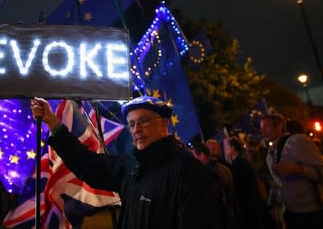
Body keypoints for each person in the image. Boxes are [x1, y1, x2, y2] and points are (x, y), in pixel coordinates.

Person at [31, 96, 220, 228]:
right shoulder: (132, 167)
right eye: (132, 124)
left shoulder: (188, 171)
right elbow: (89, 165)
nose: (136, 129)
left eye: (144, 121)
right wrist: (53, 123)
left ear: (164, 124)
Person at [260, 114, 323, 229]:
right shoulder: (270, 151)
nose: (262, 131)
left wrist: (299, 169)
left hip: (309, 213)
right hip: (289, 210)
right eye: (261, 127)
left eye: (267, 126)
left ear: (279, 126)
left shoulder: (298, 141)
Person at [191, 142, 234, 228]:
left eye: (194, 157)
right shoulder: (223, 168)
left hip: (221, 219)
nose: (193, 161)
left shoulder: (208, 173)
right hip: (230, 215)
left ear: (202, 155)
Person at [224, 137, 264, 229]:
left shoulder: (238, 163)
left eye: (226, 147)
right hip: (250, 202)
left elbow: (240, 186)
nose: (225, 150)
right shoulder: (241, 161)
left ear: (232, 148)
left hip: (246, 204)